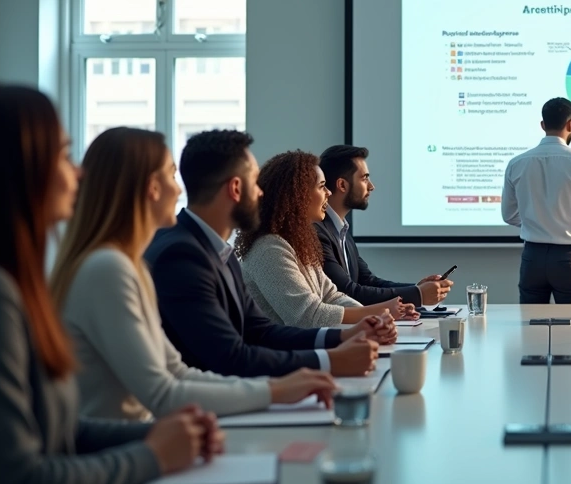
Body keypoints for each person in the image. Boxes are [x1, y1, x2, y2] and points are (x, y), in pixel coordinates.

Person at [0, 85, 220, 484]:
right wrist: (153, 456)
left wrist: (164, 436)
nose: (77, 173)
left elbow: (60, 431)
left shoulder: (14, 283)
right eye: (62, 155)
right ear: (18, 169)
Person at [51, 128, 338, 421]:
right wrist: (279, 389)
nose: (179, 190)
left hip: (147, 438)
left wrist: (283, 384)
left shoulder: (130, 265)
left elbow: (176, 372)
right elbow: (164, 392)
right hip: (125, 447)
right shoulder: (110, 269)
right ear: (152, 187)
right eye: (172, 175)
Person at [145, 130, 389, 378]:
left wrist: (345, 335)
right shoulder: (181, 255)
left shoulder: (221, 252)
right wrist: (328, 362)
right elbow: (229, 356)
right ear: (236, 188)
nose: (262, 193)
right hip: (208, 405)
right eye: (255, 182)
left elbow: (259, 331)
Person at [237, 151, 418, 327]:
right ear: (298, 195)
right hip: (283, 356)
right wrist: (377, 313)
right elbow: (307, 316)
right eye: (322, 186)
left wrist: (375, 319)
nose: (328, 193)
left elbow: (332, 296)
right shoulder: (269, 249)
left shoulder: (297, 243)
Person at [502, 97, 571, 304]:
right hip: (570, 260)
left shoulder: (516, 163)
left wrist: (538, 220)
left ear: (543, 125)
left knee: (530, 330)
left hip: (532, 259)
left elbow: (508, 215)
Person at [317, 145, 453, 307]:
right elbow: (348, 292)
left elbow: (368, 281)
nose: (371, 186)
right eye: (364, 178)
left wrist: (417, 288)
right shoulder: (318, 232)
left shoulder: (341, 229)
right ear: (342, 185)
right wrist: (418, 294)